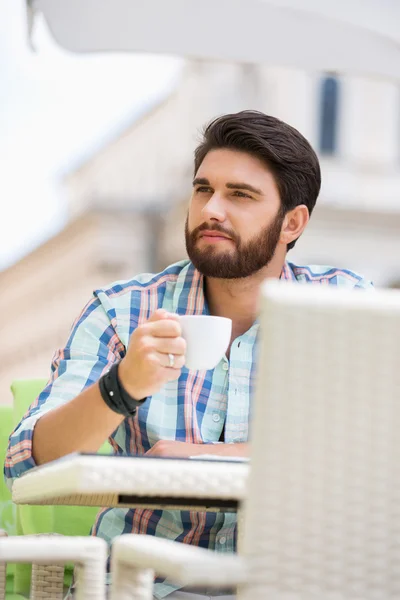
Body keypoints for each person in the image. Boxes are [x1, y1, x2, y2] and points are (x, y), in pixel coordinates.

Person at [5, 111, 373, 599]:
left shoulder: (347, 308)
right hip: (147, 581)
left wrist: (212, 457)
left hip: (294, 582)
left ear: (292, 222)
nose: (211, 209)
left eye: (239, 195)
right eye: (203, 190)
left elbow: (375, 454)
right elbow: (29, 463)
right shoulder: (122, 310)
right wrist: (121, 387)